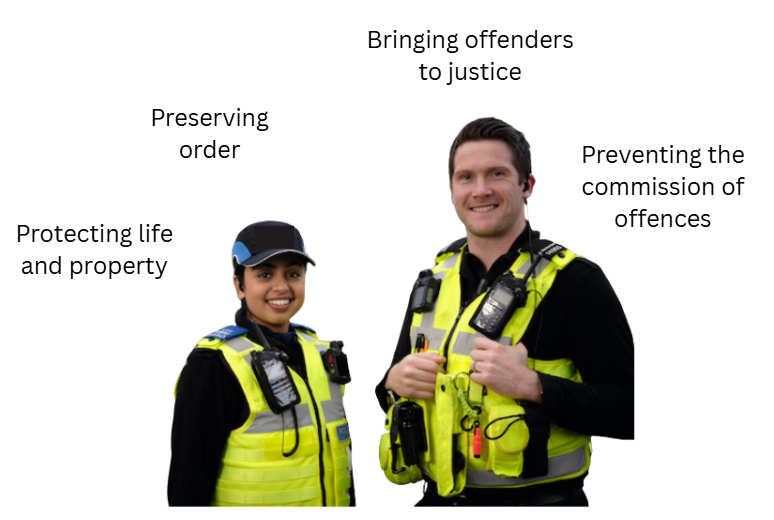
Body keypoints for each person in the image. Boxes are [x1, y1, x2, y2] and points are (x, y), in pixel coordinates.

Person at [375, 118, 634, 506]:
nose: (480, 190)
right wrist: (391, 382)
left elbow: (631, 408)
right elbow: (391, 390)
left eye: (496, 173)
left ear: (527, 185)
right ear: (451, 190)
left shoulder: (576, 281)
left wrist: (535, 387)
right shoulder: (432, 279)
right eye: (466, 177)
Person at [169, 221, 354, 506]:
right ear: (240, 285)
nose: (282, 286)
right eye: (265, 274)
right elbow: (187, 487)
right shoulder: (213, 364)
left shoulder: (320, 352)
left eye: (293, 273)